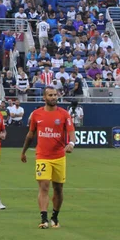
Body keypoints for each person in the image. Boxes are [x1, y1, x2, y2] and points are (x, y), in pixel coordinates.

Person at [21, 86, 76, 229]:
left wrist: (71, 144)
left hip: (59, 156)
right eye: (50, 95)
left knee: (58, 189)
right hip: (42, 156)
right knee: (44, 187)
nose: (53, 97)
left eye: (55, 95)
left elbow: (71, 133)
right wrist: (24, 151)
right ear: (44, 98)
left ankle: (55, 217)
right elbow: (30, 134)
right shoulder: (36, 114)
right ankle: (44, 219)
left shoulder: (64, 114)